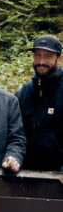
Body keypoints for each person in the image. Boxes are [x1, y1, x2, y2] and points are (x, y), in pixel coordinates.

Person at [15, 35, 63, 171]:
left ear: (59, 59)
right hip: (26, 172)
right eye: (37, 56)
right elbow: (14, 133)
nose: (41, 61)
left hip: (58, 174)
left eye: (47, 56)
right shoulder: (24, 92)